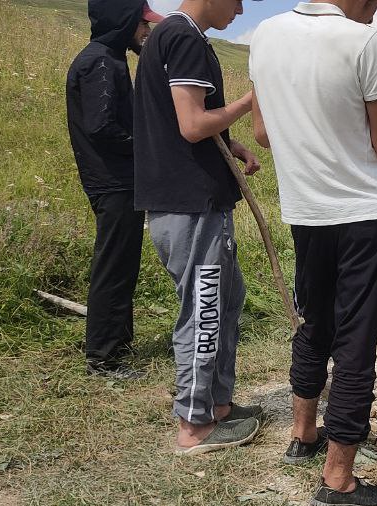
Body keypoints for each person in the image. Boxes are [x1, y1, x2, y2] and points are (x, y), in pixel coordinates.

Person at [250, 0, 377, 506]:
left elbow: (263, 133)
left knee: (314, 321)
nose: (374, 13)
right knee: (356, 340)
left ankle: (303, 432)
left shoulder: (265, 35)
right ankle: (338, 479)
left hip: (306, 211)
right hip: (362, 213)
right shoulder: (362, 42)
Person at [133, 0, 263, 455]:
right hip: (189, 204)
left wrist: (232, 143)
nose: (241, 8)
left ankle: (217, 404)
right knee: (205, 306)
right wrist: (250, 102)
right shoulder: (184, 38)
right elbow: (191, 125)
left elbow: (181, 122)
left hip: (191, 199)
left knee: (228, 298)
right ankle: (194, 425)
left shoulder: (174, 37)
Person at [66, 0, 163, 378]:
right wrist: (150, 144)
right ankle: (103, 359)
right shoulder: (103, 62)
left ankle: (115, 347)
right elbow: (101, 127)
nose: (146, 31)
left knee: (122, 264)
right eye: (142, 23)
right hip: (113, 182)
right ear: (124, 21)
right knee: (114, 267)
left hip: (118, 181)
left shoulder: (107, 58)